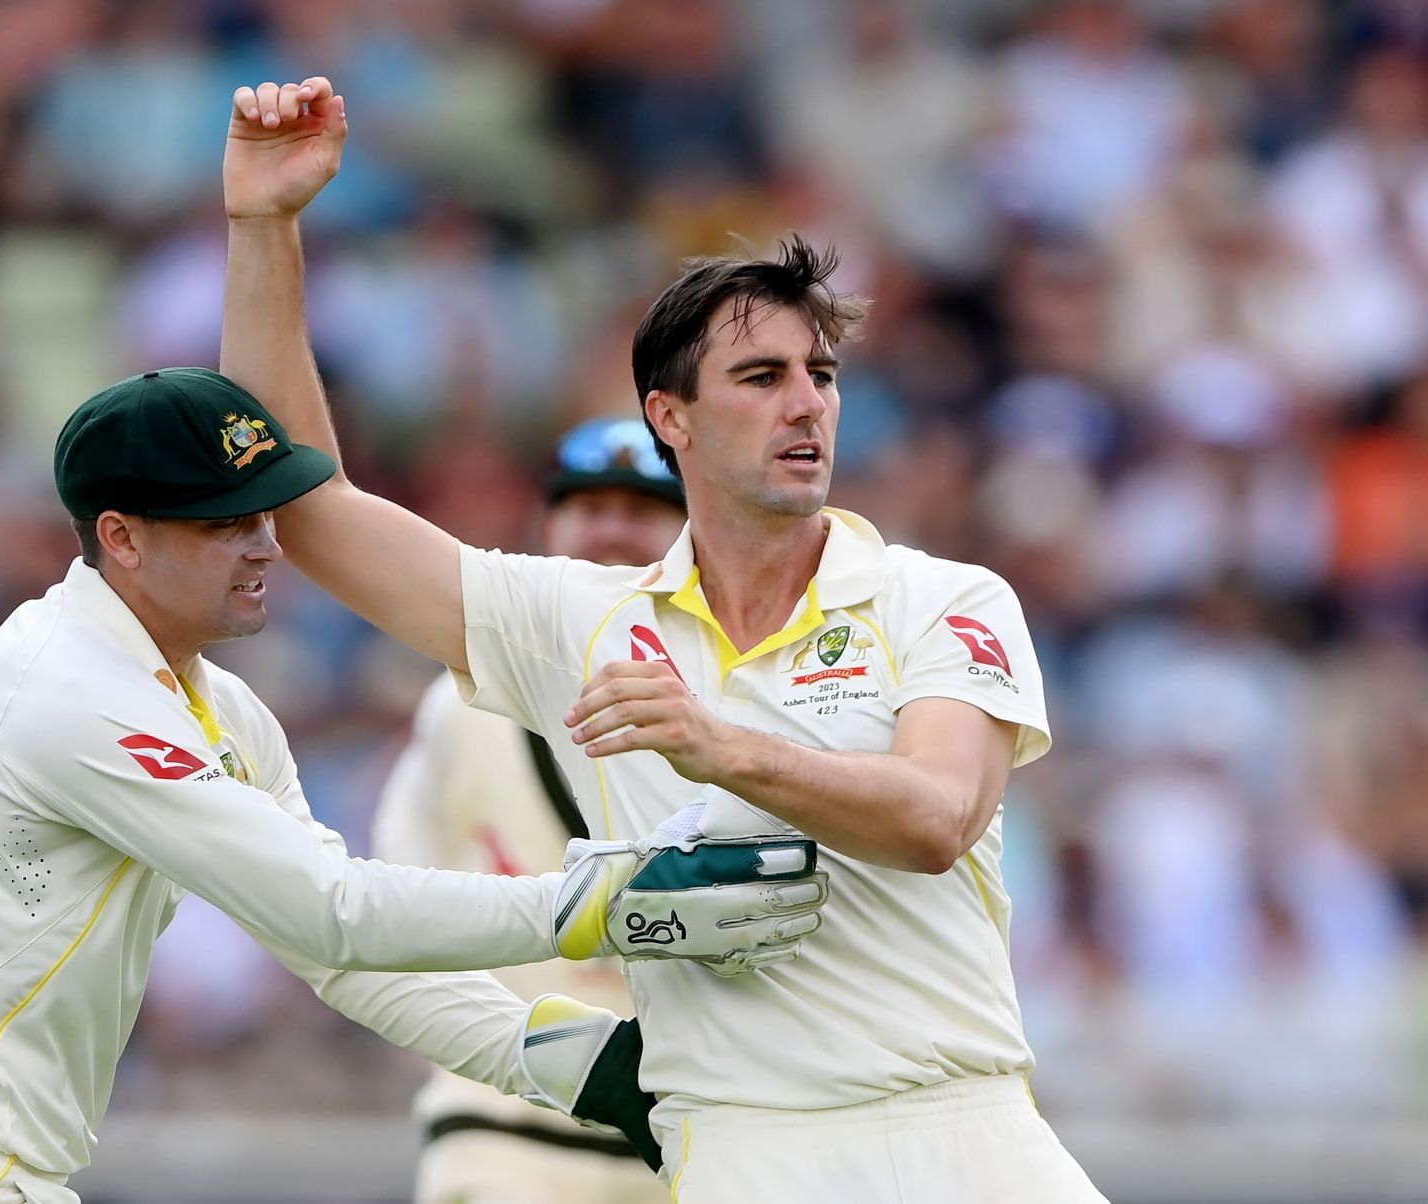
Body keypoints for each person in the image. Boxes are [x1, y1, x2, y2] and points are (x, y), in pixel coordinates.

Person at [220, 77, 1108, 1202]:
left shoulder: (943, 595)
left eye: (821, 377)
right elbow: (306, 508)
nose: (808, 406)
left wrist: (718, 743)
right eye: (761, 376)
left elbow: (936, 819)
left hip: (968, 1127)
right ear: (669, 417)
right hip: (747, 1144)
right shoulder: (585, 622)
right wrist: (264, 224)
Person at [0, 369, 832, 1203]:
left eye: (266, 509)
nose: (267, 543)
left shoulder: (213, 703)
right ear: (122, 539)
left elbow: (335, 951)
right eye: (224, 520)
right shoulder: (72, 690)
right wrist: (611, 900)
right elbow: (332, 910)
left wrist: (589, 1066)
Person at [375, 417, 687, 1204]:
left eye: (644, 507)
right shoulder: (460, 703)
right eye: (588, 505)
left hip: (701, 1134)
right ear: (547, 525)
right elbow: (394, 895)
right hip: (505, 1128)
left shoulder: (748, 698)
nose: (612, 529)